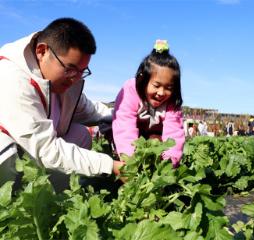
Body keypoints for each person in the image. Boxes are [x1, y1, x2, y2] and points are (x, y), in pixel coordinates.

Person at [0, 18, 124, 191]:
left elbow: (91, 110)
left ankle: (54, 199)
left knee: (80, 134)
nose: (76, 78)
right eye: (70, 69)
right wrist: (110, 165)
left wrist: (125, 114)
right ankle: (11, 207)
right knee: (3, 148)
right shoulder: (12, 78)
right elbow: (46, 149)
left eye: (82, 71)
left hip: (33, 153)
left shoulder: (65, 81)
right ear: (42, 51)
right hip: (18, 154)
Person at [112, 40, 184, 168]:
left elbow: (174, 133)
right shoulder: (131, 89)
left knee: (155, 140)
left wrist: (169, 165)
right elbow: (124, 125)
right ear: (143, 80)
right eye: (156, 85)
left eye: (169, 87)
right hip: (129, 136)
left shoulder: (172, 101)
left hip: (153, 136)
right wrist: (130, 161)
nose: (161, 92)